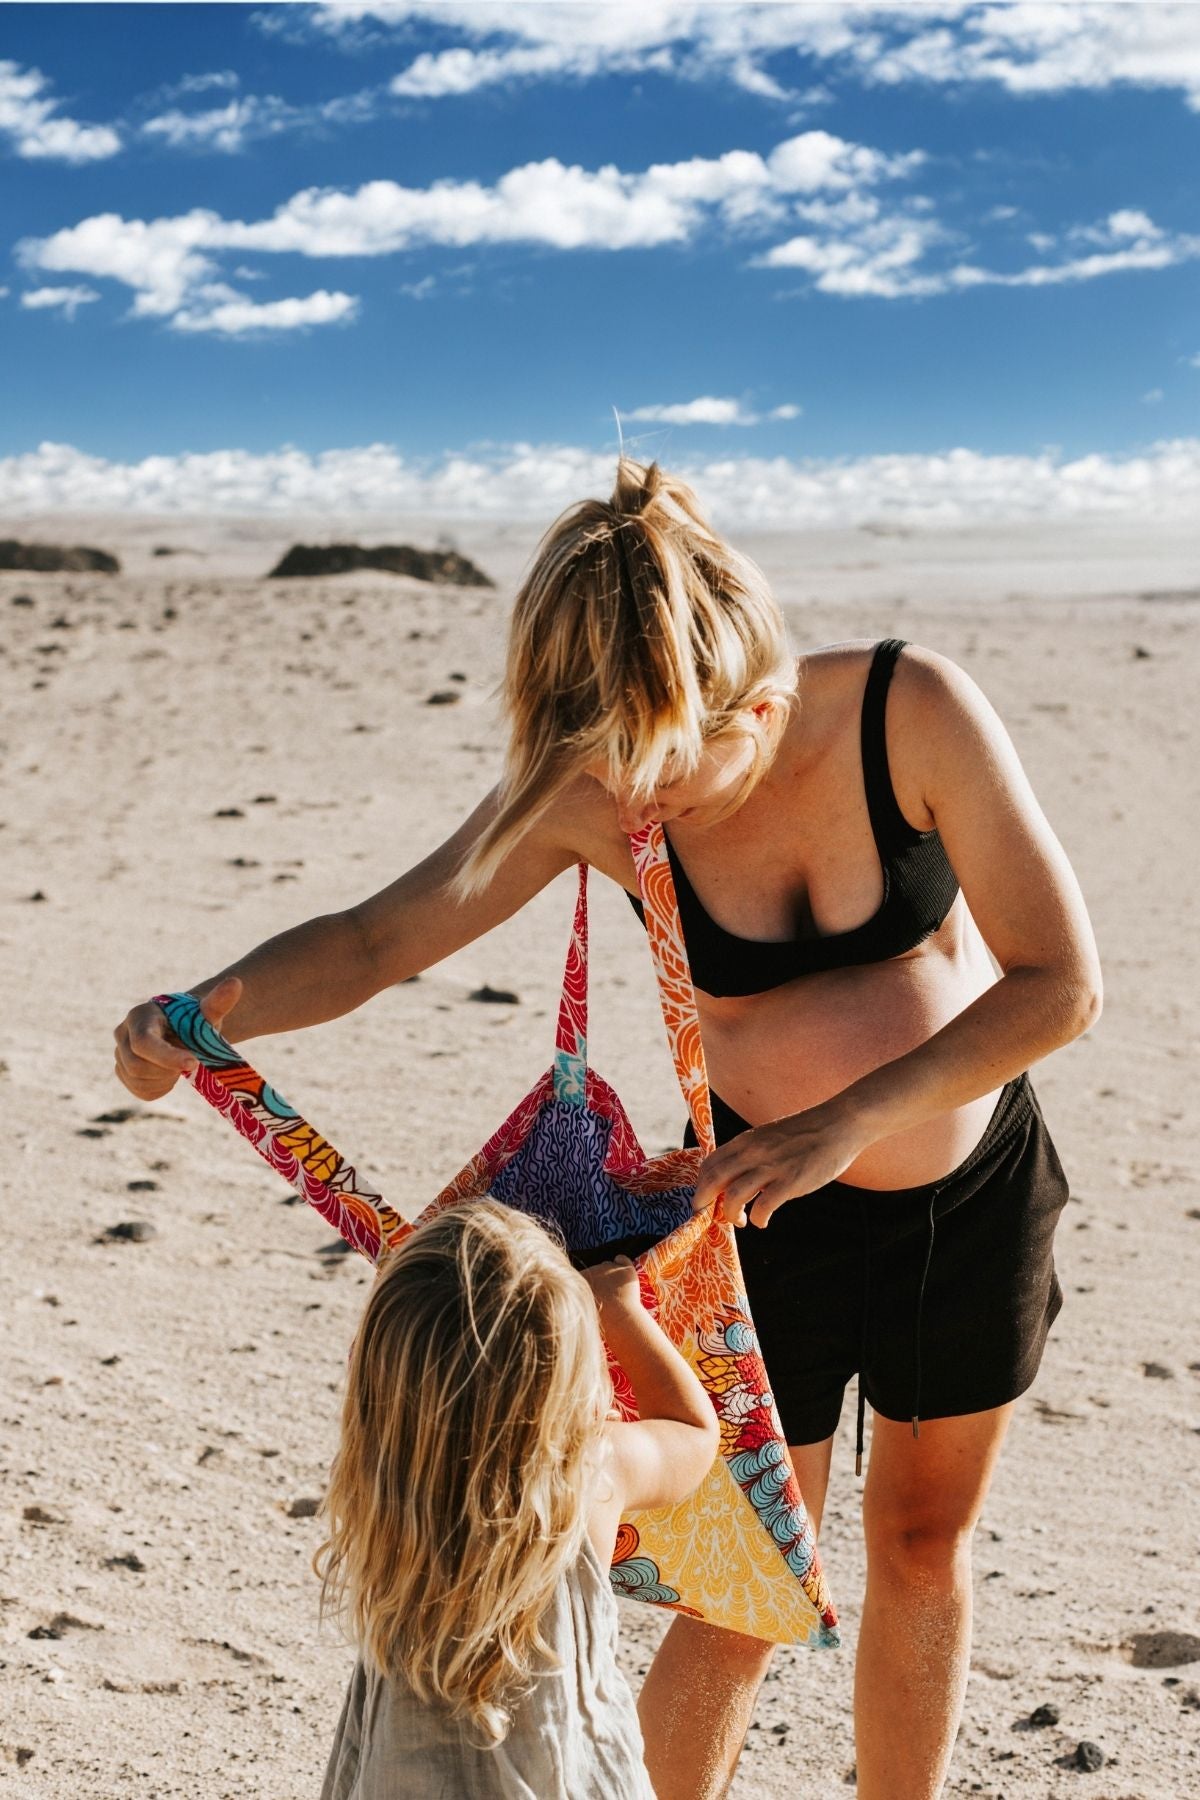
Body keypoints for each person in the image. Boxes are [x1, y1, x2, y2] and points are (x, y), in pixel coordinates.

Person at [115, 458, 1102, 1800]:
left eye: (674, 782)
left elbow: (1060, 985)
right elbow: (378, 937)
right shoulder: (602, 784)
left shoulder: (906, 708)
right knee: (741, 1578)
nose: (642, 809)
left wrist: (843, 1119)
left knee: (925, 1543)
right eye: (613, 777)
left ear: (757, 700)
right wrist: (205, 1010)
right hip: (755, 1232)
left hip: (965, 1198)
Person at [316, 1202, 717, 1800]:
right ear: (564, 1376)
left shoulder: (384, 1478)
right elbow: (693, 1433)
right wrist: (620, 1311)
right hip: (563, 1776)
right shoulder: (587, 1475)